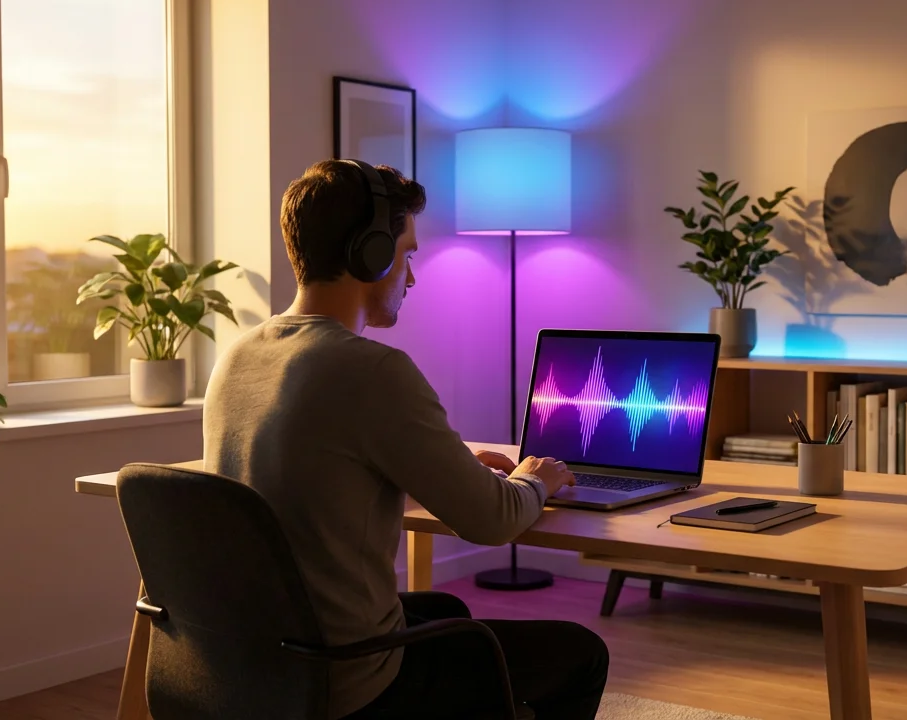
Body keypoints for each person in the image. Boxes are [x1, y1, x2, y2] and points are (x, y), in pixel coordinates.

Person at [204, 159, 609, 719]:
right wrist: (533, 479)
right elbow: (493, 521)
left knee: (446, 607)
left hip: (257, 658)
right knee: (580, 653)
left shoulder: (239, 356)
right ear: (368, 254)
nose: (412, 276)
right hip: (346, 676)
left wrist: (440, 459)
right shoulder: (372, 371)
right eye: (407, 253)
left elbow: (321, 464)